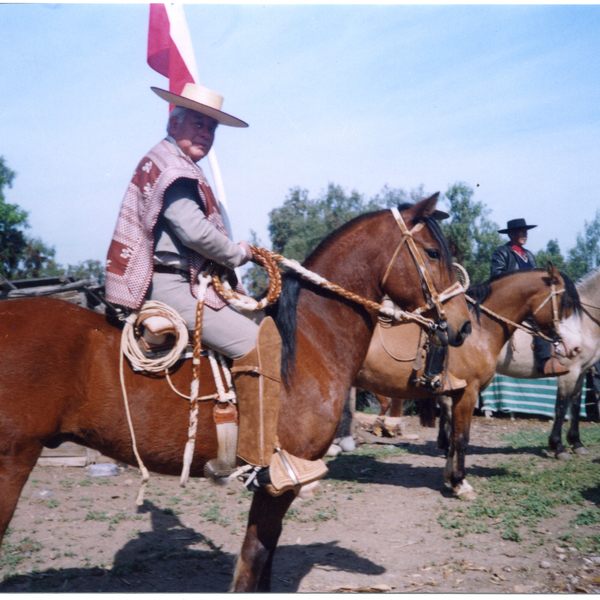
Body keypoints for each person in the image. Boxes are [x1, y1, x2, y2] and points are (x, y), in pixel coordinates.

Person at [105, 83, 325, 494]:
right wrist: (237, 253)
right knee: (259, 343)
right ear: (175, 121)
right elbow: (193, 231)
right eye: (197, 123)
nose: (205, 133)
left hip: (187, 281)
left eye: (212, 128)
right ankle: (261, 462)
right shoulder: (173, 169)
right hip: (172, 285)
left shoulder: (171, 163)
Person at [490, 218, 569, 377]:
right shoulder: (501, 252)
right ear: (511, 234)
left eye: (525, 231)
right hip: (510, 299)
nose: (524, 234)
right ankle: (545, 360)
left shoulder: (529, 255)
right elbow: (497, 277)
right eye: (520, 231)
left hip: (528, 299)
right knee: (542, 318)